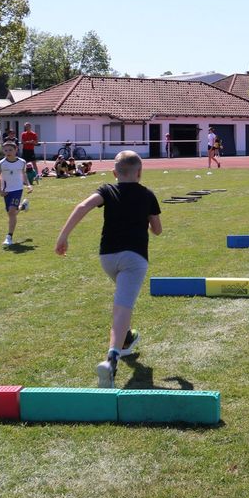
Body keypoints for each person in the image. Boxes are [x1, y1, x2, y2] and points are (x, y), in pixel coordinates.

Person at [55, 150, 162, 388]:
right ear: (140, 172)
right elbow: (157, 230)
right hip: (134, 258)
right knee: (122, 308)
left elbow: (83, 206)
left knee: (123, 301)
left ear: (115, 173)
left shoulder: (106, 189)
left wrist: (63, 237)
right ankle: (111, 358)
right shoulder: (148, 195)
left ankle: (126, 339)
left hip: (108, 258)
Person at [0, 140, 32, 247]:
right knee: (12, 213)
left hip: (17, 189)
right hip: (6, 190)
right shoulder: (2, 163)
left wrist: (28, 185)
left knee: (11, 212)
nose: (8, 152)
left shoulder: (22, 162)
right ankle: (23, 207)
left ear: (16, 150)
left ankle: (9, 237)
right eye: (5, 150)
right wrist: (0, 190)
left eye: (10, 150)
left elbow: (23, 174)